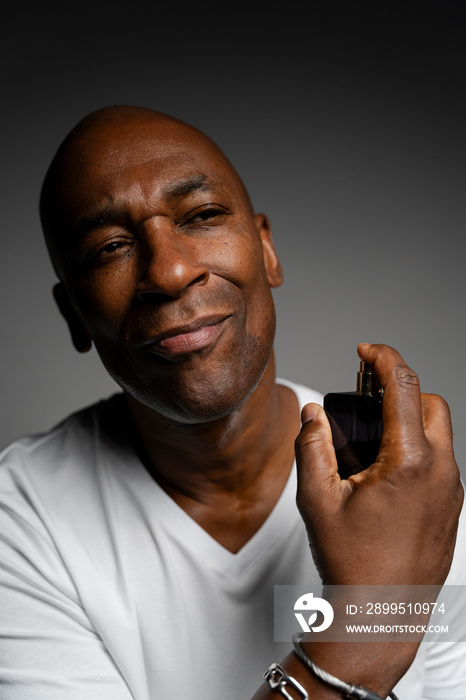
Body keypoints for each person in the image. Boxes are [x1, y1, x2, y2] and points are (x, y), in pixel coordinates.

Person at [0, 105, 464, 700]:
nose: (168, 271)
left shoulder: (404, 480)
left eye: (202, 215)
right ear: (75, 315)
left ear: (266, 251)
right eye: (109, 247)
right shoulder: (23, 522)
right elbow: (366, 645)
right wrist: (359, 632)